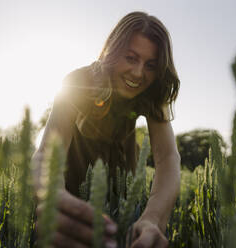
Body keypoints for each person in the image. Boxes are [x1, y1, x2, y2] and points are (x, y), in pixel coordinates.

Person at [32, 11, 181, 248]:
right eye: (131, 58)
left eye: (151, 65)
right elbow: (46, 153)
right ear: (112, 51)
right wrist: (52, 198)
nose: (138, 73)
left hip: (123, 193)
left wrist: (152, 219)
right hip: (73, 189)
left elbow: (168, 158)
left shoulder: (153, 93)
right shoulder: (78, 81)